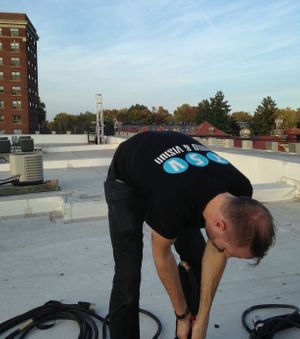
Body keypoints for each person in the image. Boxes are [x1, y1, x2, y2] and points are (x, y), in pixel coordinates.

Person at [104, 131, 275, 339]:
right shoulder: (173, 201)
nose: (224, 257)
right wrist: (182, 313)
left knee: (197, 258)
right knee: (128, 276)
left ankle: (187, 332)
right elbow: (162, 254)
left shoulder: (240, 189)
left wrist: (202, 320)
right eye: (227, 251)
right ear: (219, 224)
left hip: (179, 183)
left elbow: (214, 253)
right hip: (127, 180)